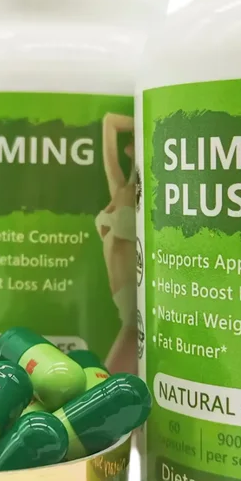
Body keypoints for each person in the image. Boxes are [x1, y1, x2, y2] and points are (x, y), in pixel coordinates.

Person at [96, 112, 138, 373]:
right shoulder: (121, 189)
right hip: (123, 304)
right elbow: (110, 121)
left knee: (109, 379)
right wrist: (142, 123)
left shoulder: (148, 194)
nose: (131, 137)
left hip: (134, 307)